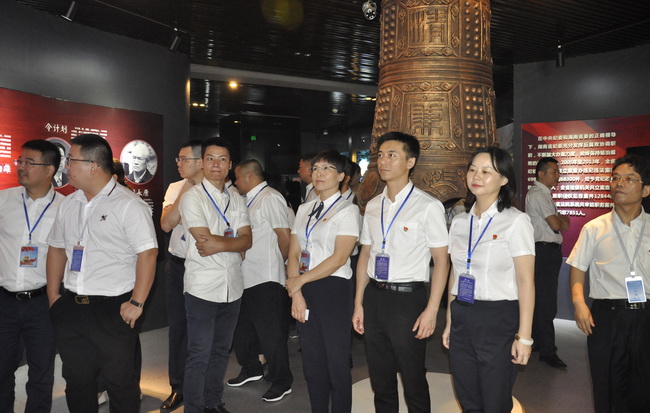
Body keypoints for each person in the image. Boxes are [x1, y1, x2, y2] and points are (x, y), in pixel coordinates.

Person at [46, 133, 158, 413]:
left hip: (113, 308)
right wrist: (53, 294)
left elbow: (147, 254)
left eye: (71, 160)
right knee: (77, 381)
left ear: (93, 165)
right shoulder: (69, 203)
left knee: (120, 382)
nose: (66, 167)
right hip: (72, 306)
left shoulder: (128, 204)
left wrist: (137, 302)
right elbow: (57, 248)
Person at [352, 132, 449, 413]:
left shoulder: (428, 206)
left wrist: (432, 310)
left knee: (412, 376)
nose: (383, 161)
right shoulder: (373, 206)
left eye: (392, 155)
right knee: (380, 376)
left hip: (407, 300)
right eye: (380, 155)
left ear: (410, 162)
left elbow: (441, 261)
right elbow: (366, 255)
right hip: (374, 296)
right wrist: (359, 302)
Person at [442, 146, 535, 413]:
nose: (476, 176)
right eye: (472, 169)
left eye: (486, 171)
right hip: (462, 314)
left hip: (499, 318)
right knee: (467, 397)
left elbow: (526, 282)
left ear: (504, 179)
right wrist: (449, 321)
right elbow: (455, 274)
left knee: (495, 400)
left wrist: (525, 337)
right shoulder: (460, 222)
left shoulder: (516, 221)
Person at [567, 154, 650, 413]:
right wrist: (579, 303)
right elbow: (578, 268)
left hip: (646, 316)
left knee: (645, 386)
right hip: (608, 317)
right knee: (607, 384)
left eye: (629, 179)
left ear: (645, 190)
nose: (619, 183)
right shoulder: (594, 228)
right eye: (615, 178)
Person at [178, 138, 252, 413]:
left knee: (221, 350)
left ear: (230, 165)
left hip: (233, 286)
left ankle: (213, 402)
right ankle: (194, 408)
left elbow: (247, 240)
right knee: (199, 353)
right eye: (210, 158)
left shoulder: (236, 198)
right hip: (202, 287)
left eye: (222, 159)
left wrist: (220, 244)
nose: (216, 164)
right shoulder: (192, 197)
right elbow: (203, 241)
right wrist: (234, 243)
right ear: (202, 163)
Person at [286, 149, 361, 413]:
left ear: (342, 176)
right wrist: (296, 292)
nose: (319, 173)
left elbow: (339, 258)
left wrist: (298, 282)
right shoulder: (305, 209)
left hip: (333, 289)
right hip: (304, 288)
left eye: (327, 168)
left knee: (336, 362)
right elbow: (293, 253)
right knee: (312, 362)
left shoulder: (348, 210)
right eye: (316, 168)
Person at [0, 140, 64, 413]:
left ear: (49, 170)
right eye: (20, 161)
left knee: (41, 371)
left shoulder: (66, 208)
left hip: (43, 302)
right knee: (2, 369)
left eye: (29, 162)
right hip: (4, 301)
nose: (21, 167)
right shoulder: (4, 200)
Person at [228, 159, 293, 402]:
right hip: (245, 276)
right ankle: (251, 368)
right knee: (243, 330)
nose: (235, 182)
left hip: (266, 277)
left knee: (270, 333)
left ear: (249, 176)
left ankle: (282, 380)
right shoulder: (247, 200)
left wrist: (282, 263)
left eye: (237, 177)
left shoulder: (270, 198)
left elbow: (284, 236)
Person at [158, 140, 204, 411]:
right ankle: (178, 387)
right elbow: (166, 224)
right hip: (177, 265)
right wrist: (186, 190)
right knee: (178, 328)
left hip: (205, 266)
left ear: (201, 162)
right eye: (178, 159)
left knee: (203, 329)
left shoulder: (218, 189)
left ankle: (204, 387)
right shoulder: (176, 187)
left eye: (184, 159)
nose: (178, 163)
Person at [525, 157, 570, 368]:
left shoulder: (544, 194)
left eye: (557, 172)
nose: (557, 176)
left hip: (545, 252)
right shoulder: (538, 194)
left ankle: (537, 341)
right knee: (546, 302)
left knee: (542, 299)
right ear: (541, 174)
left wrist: (562, 221)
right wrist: (562, 220)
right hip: (543, 252)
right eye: (553, 172)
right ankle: (547, 351)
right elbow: (557, 224)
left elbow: (561, 223)